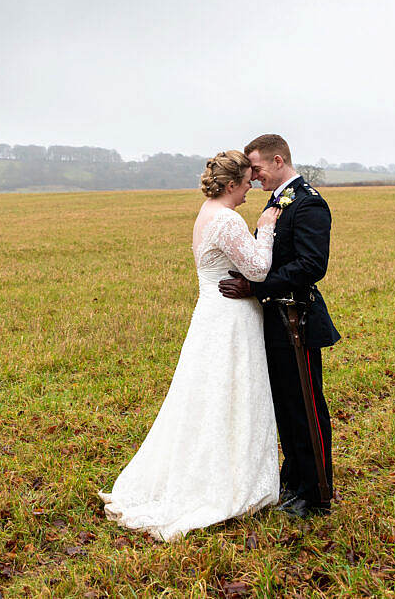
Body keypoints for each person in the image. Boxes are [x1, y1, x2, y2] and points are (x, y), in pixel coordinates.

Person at [98, 150, 282, 542]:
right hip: (230, 319)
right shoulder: (228, 219)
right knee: (230, 395)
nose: (252, 186)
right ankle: (223, 484)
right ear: (232, 185)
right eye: (247, 181)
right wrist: (265, 228)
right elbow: (258, 270)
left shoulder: (206, 213)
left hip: (212, 315)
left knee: (207, 396)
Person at [218, 134, 340, 518]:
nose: (252, 177)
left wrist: (255, 286)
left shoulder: (309, 204)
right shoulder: (276, 201)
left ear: (276, 160)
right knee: (285, 407)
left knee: (306, 406)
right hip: (274, 319)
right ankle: (295, 481)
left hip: (298, 319)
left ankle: (317, 493)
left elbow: (310, 266)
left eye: (255, 168)